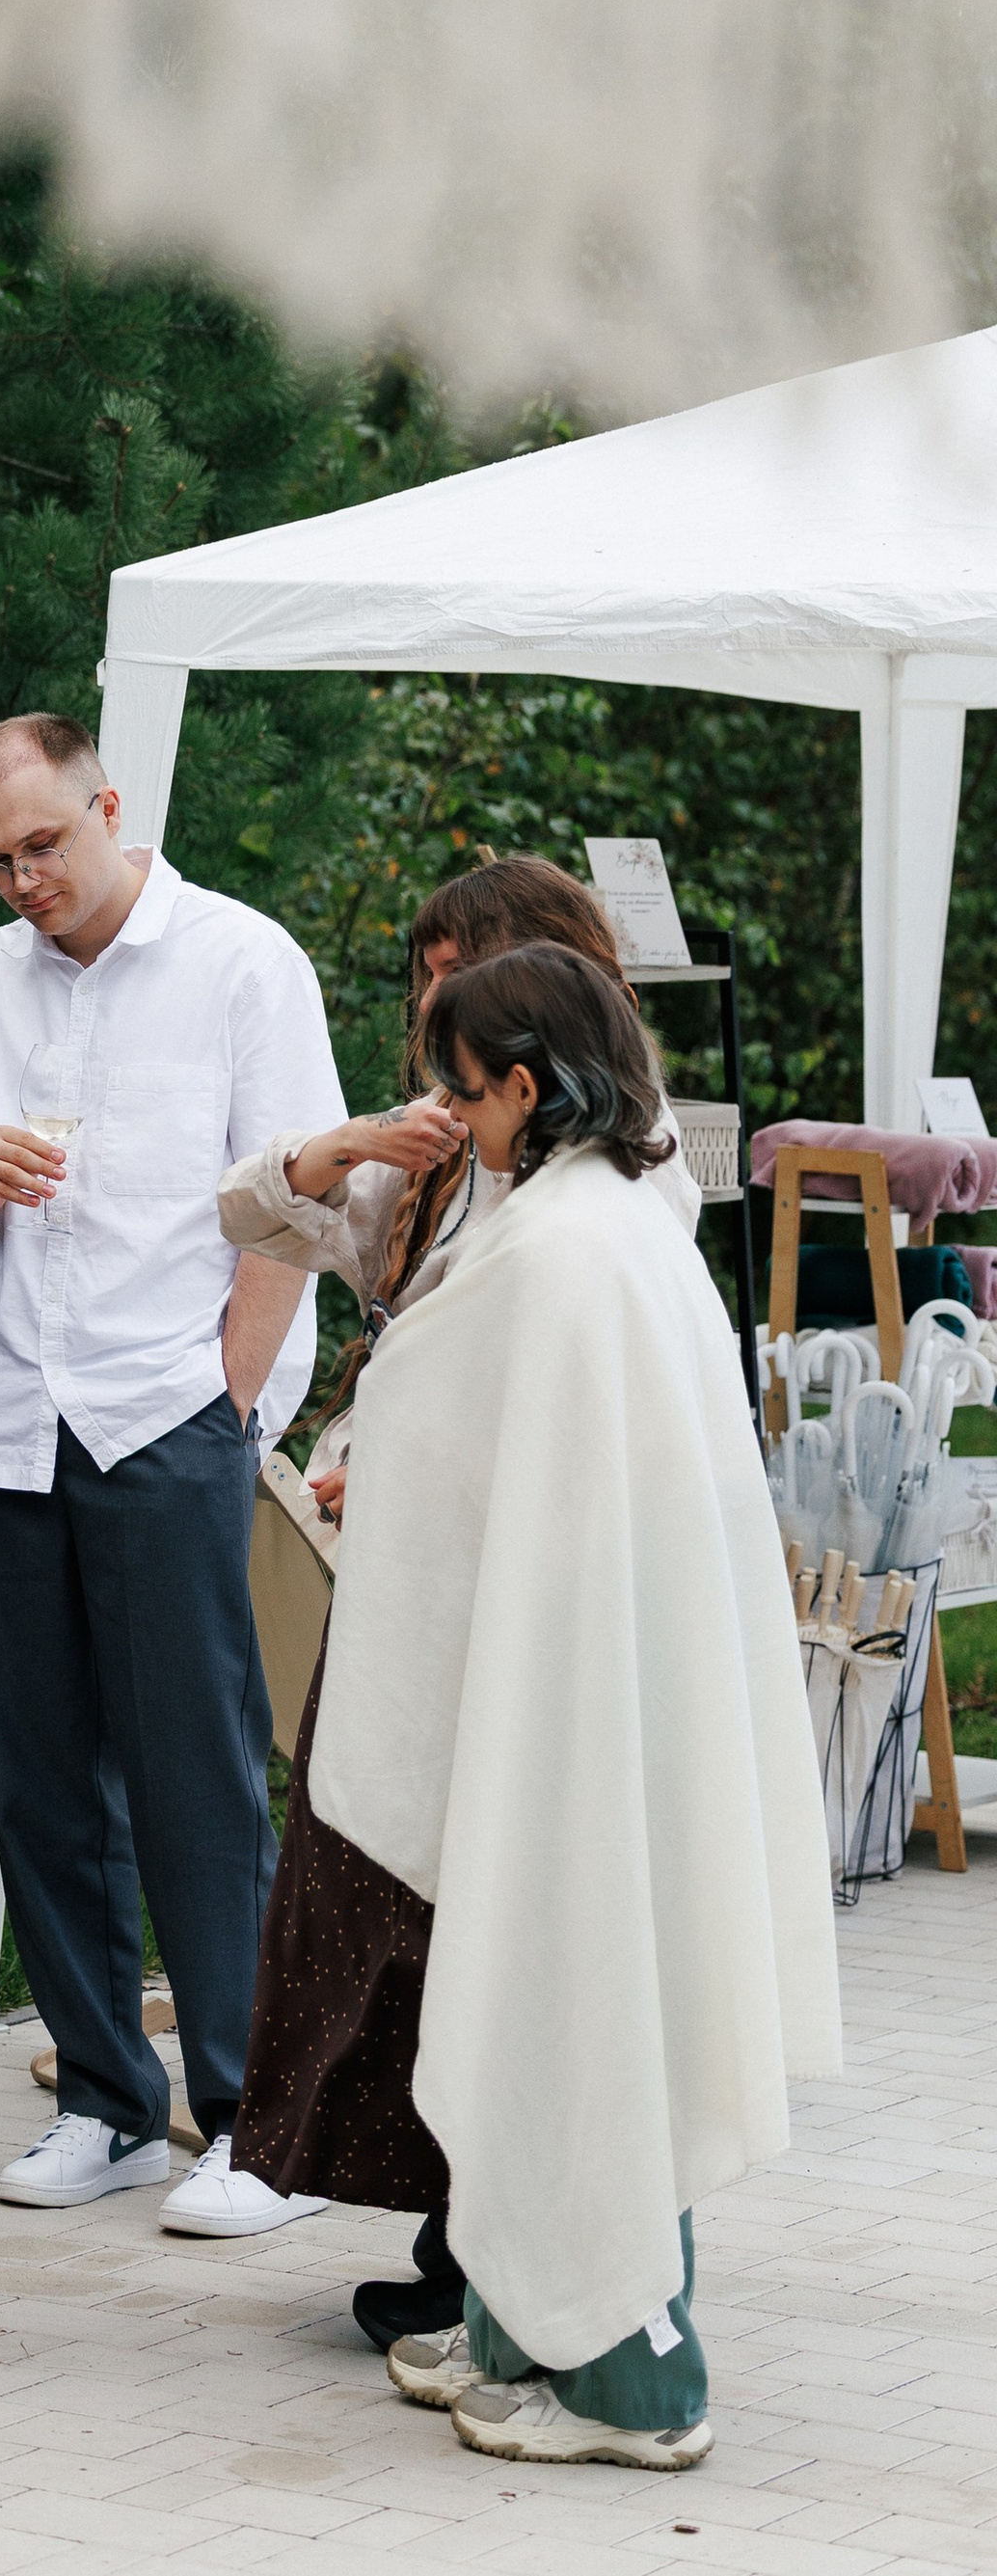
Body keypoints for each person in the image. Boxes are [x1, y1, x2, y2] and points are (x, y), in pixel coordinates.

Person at [314, 943, 836, 2473]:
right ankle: (526, 2327)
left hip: (573, 1702)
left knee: (577, 1993)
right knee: (580, 1988)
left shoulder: (555, 1248)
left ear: (524, 1087)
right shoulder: (623, 1222)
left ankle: (630, 2385)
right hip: (612, 1678)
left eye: (464, 1091)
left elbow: (421, 1404)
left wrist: (380, 1446)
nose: (452, 1116)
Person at [221, 854, 702, 2345]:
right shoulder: (434, 1156)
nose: (426, 997)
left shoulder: (620, 1178)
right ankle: (454, 2235)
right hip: (412, 1599)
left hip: (527, 1601)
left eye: (453, 970)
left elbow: (575, 1395)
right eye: (424, 969)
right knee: (391, 1913)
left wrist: (418, 1465)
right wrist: (355, 1139)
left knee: (503, 1908)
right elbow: (251, 1213)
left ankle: (522, 2252)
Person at [0, 712, 342, 2228]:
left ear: (106, 804)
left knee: (196, 1767)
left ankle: (255, 2113)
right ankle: (105, 2098)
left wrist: (230, 1399)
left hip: (166, 1408)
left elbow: (295, 1198)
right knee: (37, 1771)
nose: (25, 878)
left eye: (45, 844)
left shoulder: (241, 961)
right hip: (10, 1409)